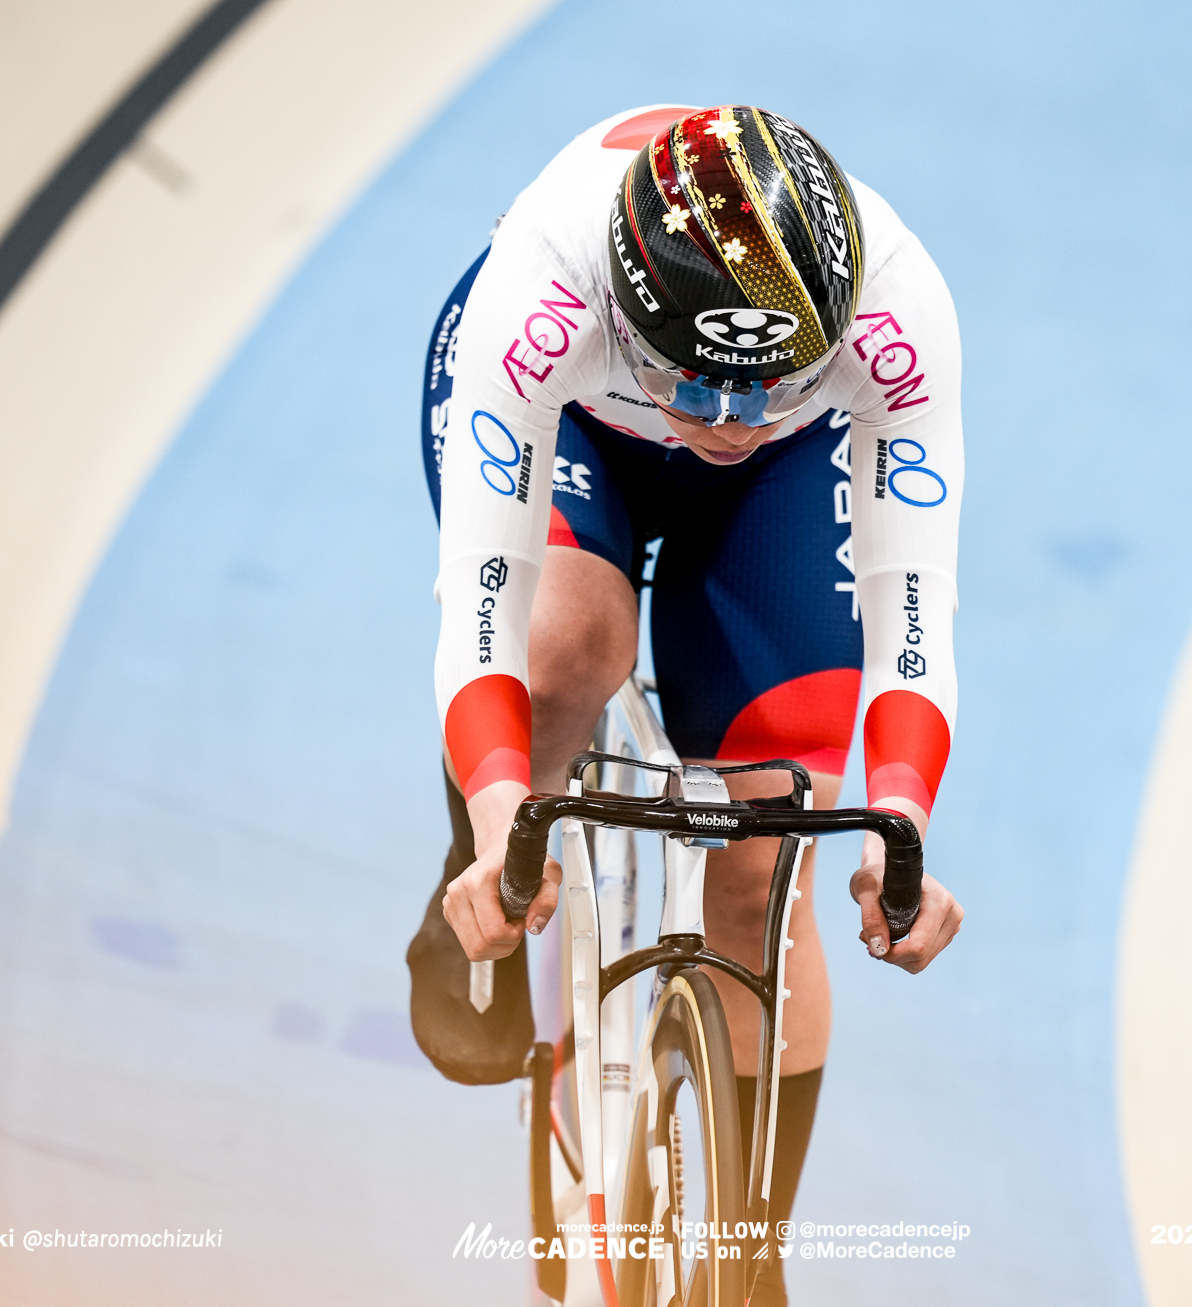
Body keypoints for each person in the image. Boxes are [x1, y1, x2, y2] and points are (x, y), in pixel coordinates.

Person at [407, 104, 964, 1304]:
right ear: (628, 310)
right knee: (567, 639)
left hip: (787, 473)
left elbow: (912, 609)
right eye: (696, 388)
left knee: (773, 848)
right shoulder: (541, 290)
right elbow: (481, 604)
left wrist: (905, 818)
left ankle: (748, 1251)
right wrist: (502, 800)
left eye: (761, 387)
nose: (725, 420)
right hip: (574, 425)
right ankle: (478, 868)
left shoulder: (894, 310)